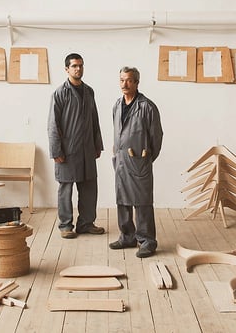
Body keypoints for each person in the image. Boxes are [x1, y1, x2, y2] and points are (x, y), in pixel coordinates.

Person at [47, 53, 105, 239]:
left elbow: (95, 119)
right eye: (74, 66)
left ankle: (86, 223)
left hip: (87, 149)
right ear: (67, 69)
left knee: (89, 188)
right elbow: (52, 125)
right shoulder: (59, 93)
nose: (78, 69)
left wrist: (97, 145)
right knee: (65, 189)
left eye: (80, 65)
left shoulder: (89, 92)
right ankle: (65, 226)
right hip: (67, 151)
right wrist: (56, 151)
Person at [109, 66, 163, 258]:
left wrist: (146, 159)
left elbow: (156, 137)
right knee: (122, 200)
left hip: (139, 160)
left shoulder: (147, 107)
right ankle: (127, 236)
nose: (125, 84)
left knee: (142, 202)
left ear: (137, 82)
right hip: (121, 160)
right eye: (122, 80)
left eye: (129, 80)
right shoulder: (117, 105)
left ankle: (147, 240)